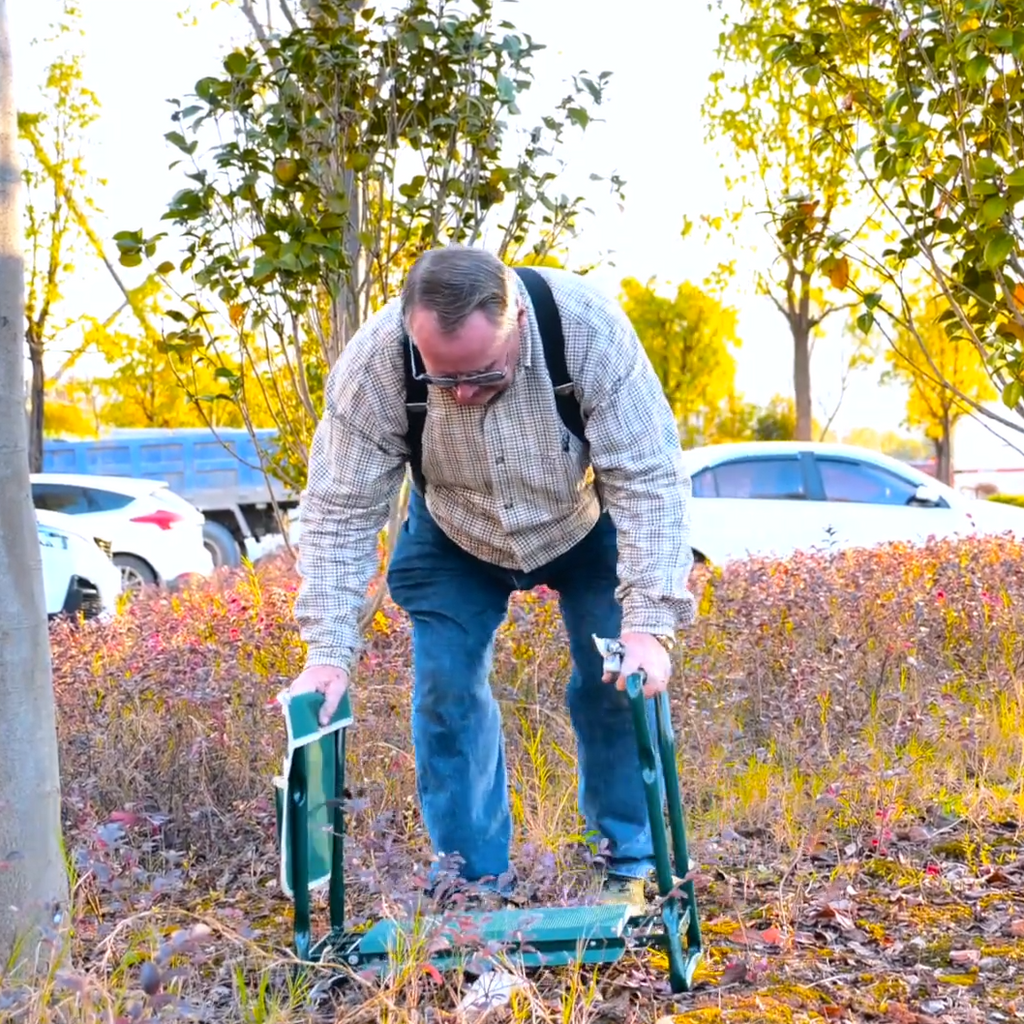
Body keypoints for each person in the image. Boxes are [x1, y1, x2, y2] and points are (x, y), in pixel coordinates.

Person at [287, 245, 696, 900]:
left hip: (580, 519)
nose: (466, 393)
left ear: (519, 326)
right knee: (446, 693)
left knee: (614, 683)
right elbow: (340, 513)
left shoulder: (587, 327)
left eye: (484, 373)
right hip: (454, 531)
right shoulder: (376, 364)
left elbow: (650, 480)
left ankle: (629, 863)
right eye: (444, 380)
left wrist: (650, 624)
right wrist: (328, 653)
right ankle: (473, 882)